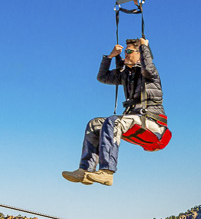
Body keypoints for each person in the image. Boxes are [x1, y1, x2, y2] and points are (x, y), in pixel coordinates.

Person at [62, 37, 166, 186]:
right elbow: (102, 77)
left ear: (140, 53)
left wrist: (145, 47)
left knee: (113, 121)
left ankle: (107, 172)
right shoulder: (126, 75)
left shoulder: (150, 74)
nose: (126, 55)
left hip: (152, 123)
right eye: (125, 52)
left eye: (129, 51)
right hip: (133, 121)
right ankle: (85, 170)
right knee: (95, 124)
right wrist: (110, 57)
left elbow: (148, 67)